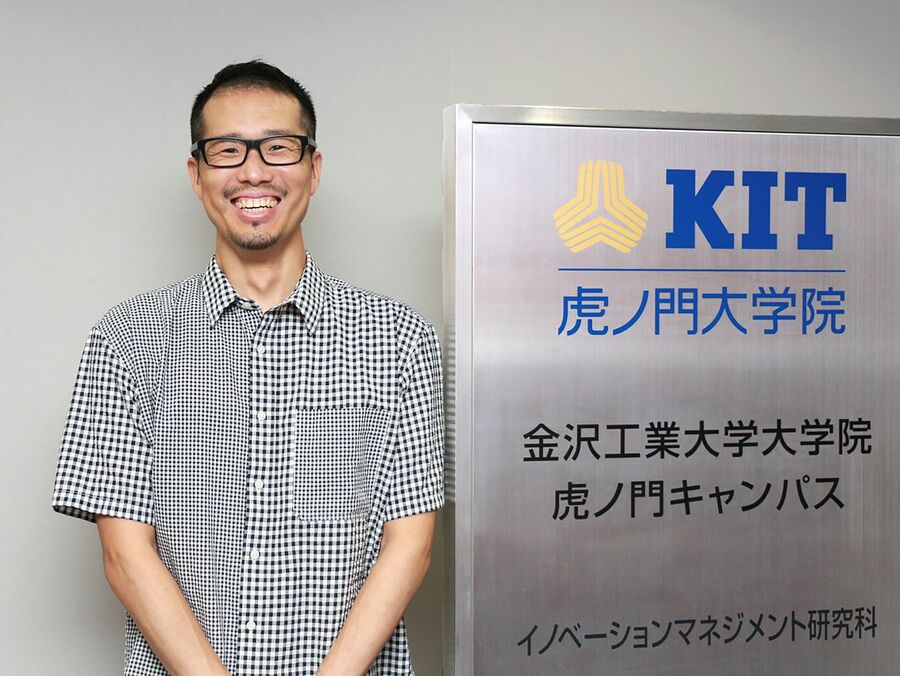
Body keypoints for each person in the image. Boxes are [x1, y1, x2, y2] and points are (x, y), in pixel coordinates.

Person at [51, 60, 444, 676]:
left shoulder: (400, 338)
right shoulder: (126, 338)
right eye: (227, 150)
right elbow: (126, 554)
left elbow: (410, 543)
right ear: (197, 174)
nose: (254, 171)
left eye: (278, 147)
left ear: (314, 168)